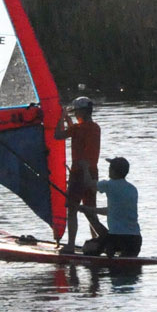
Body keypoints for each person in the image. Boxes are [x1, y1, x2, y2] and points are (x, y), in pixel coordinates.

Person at [54, 95, 101, 253]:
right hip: (92, 173)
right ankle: (99, 241)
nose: (74, 115)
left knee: (72, 209)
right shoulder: (95, 128)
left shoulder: (77, 129)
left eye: (75, 112)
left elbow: (58, 135)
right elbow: (77, 132)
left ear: (81, 112)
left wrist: (61, 118)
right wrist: (69, 121)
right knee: (91, 210)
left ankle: (70, 245)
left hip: (78, 173)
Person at [82, 156, 141, 257]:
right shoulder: (133, 189)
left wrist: (85, 168)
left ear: (113, 171)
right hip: (135, 240)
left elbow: (89, 184)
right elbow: (115, 211)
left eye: (110, 167)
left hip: (116, 238)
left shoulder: (109, 185)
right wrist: (89, 210)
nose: (108, 169)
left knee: (87, 249)